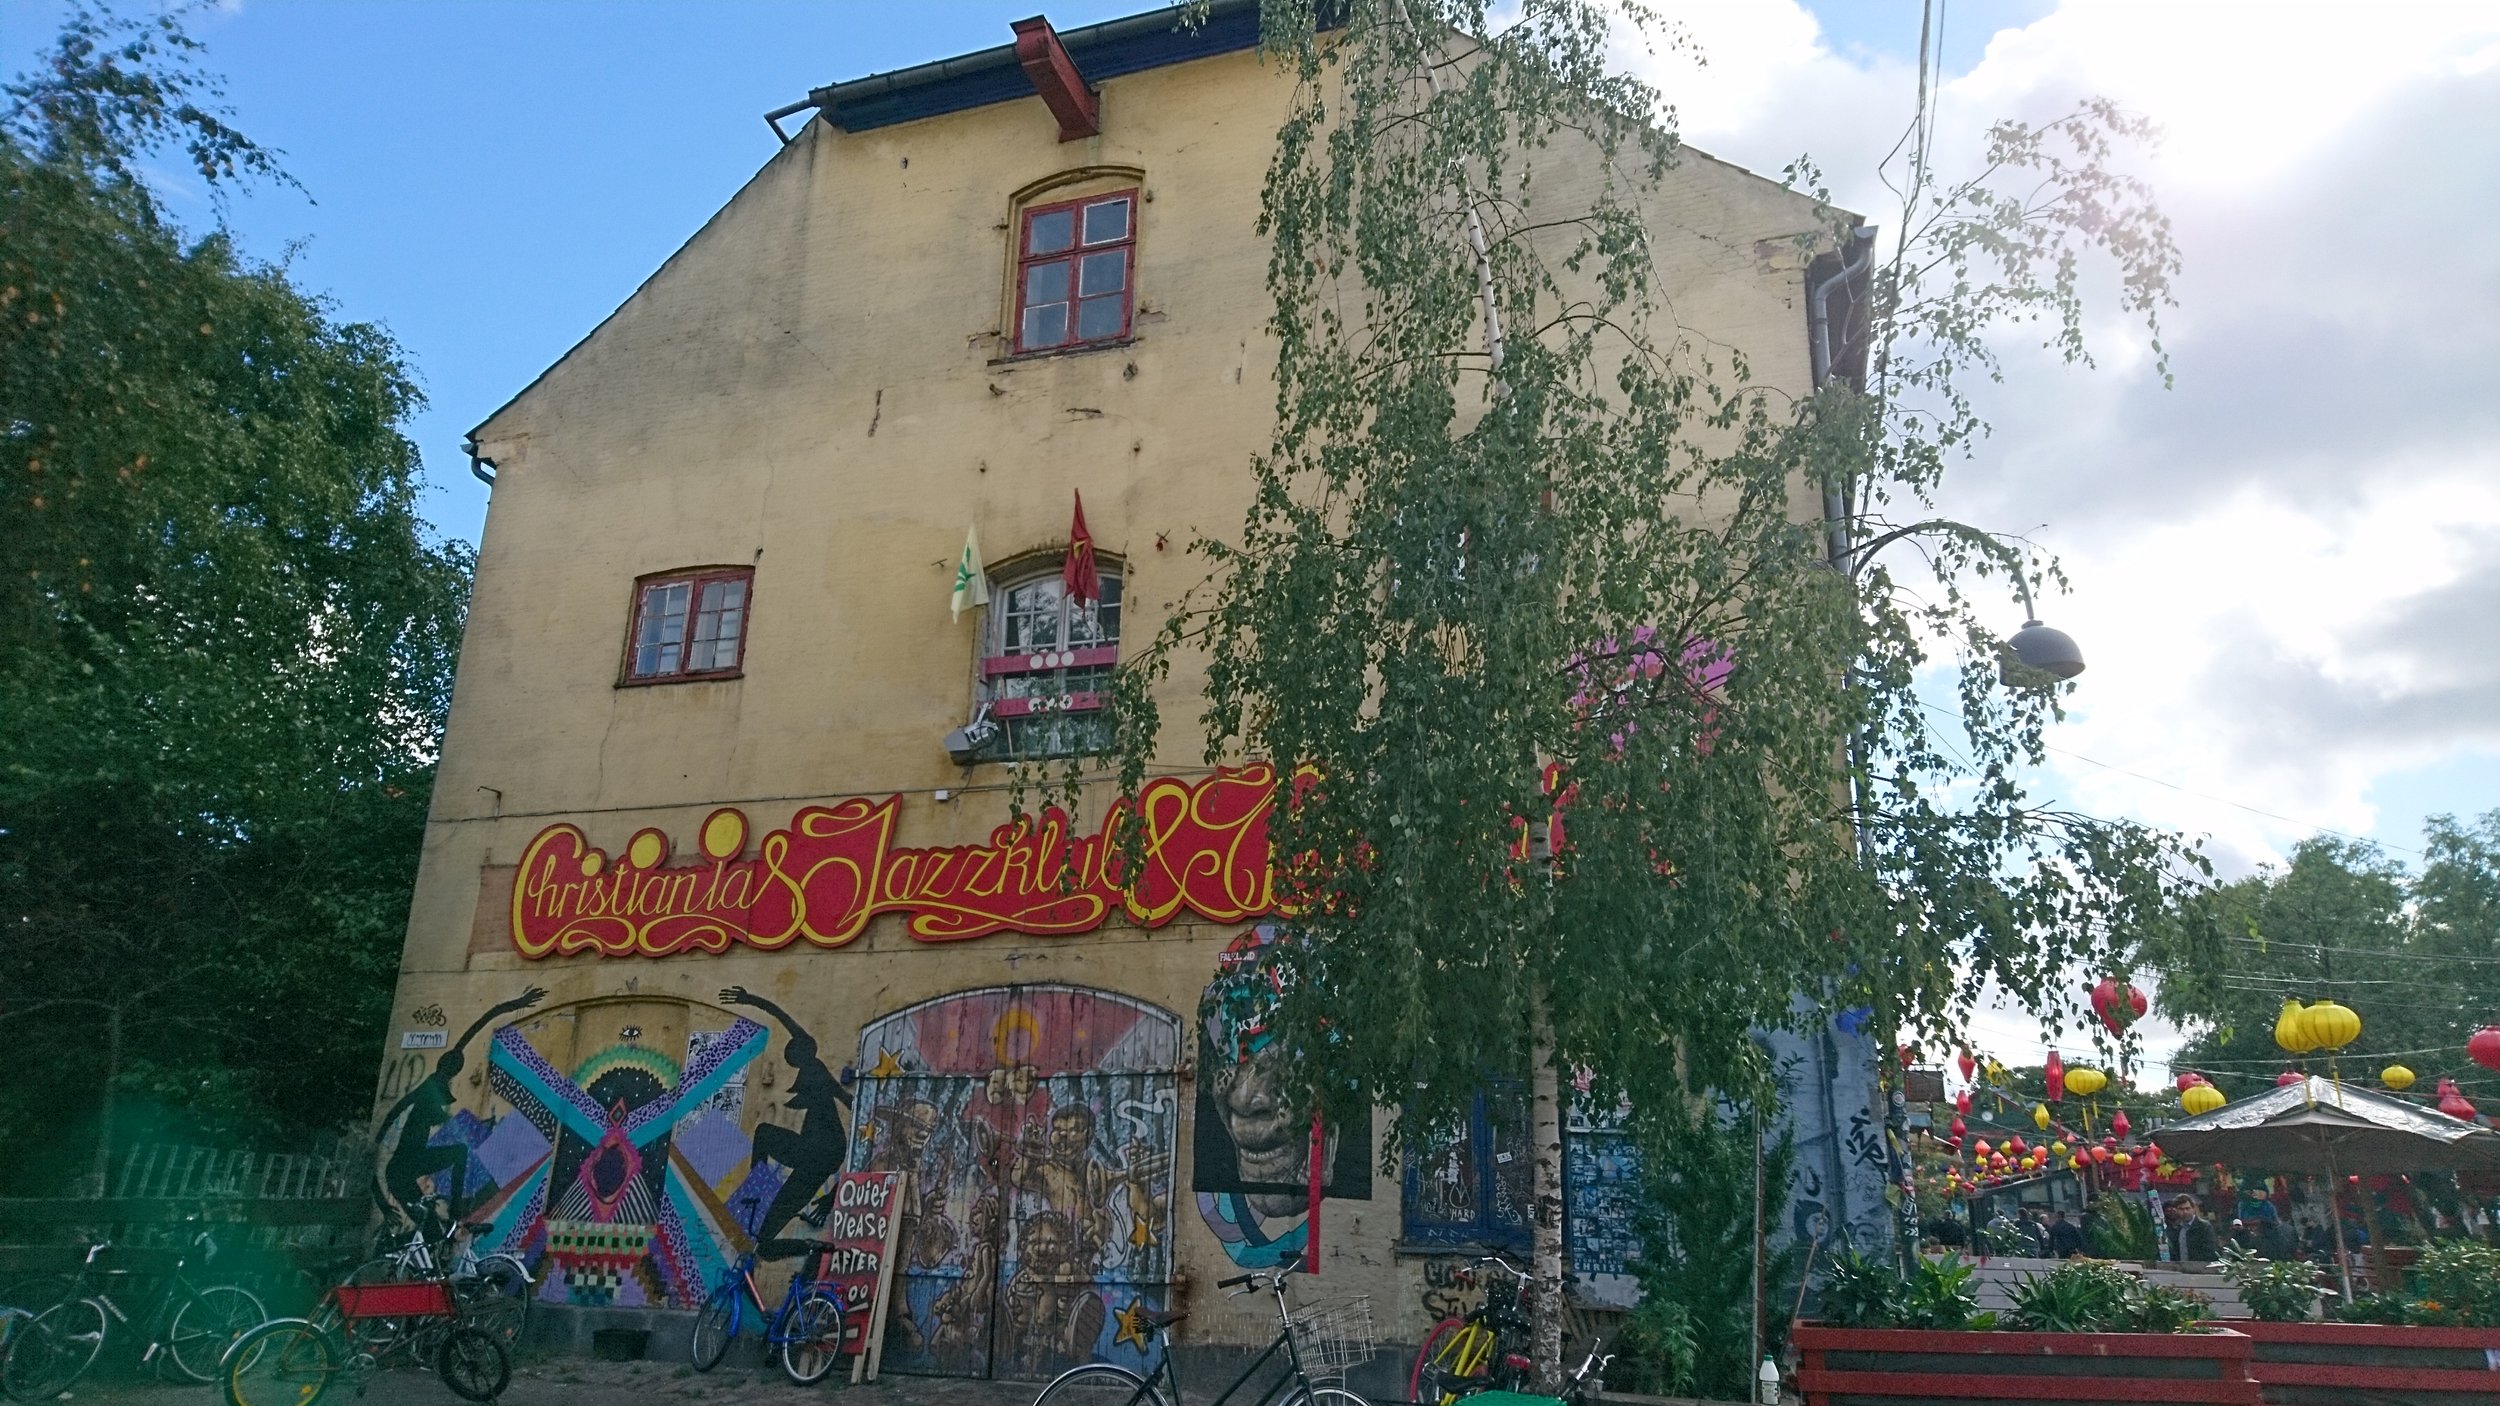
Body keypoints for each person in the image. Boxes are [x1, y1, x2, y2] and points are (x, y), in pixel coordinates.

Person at [2165, 1194, 2219, 1262]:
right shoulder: (2176, 1229)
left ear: (2193, 1209)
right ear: (2177, 1210)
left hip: (2200, 1269)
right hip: (2181, 1269)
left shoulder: (2204, 1227)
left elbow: (2211, 1251)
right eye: (2181, 1209)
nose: (2185, 1212)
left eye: (2187, 1208)